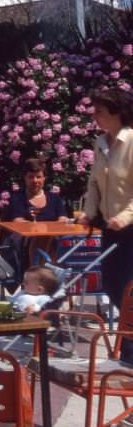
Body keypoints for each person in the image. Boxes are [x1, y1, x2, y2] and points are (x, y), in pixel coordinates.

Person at [81, 87, 133, 365]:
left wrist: (125, 217)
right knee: (113, 285)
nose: (95, 116)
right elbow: (93, 184)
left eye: (99, 110)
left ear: (116, 112)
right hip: (110, 228)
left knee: (129, 291)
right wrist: (89, 213)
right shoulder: (100, 143)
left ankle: (129, 353)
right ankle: (129, 348)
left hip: (130, 228)